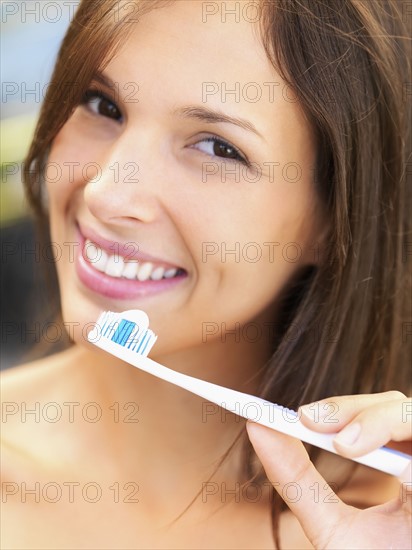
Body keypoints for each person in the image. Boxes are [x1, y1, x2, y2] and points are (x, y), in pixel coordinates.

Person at [1, 1, 411, 548]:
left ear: (336, 219)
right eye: (102, 103)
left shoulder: (383, 521)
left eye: (218, 148)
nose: (106, 194)